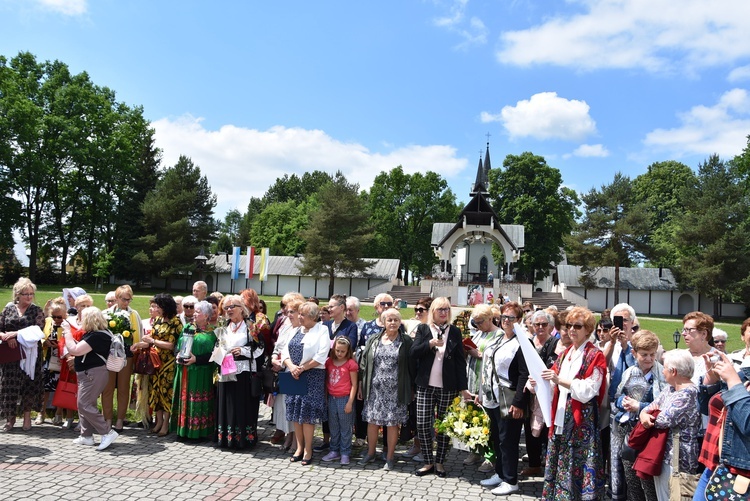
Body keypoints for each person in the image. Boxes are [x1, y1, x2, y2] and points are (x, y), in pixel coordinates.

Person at [541, 306, 607, 500]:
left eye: (577, 326)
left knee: (578, 464)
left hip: (581, 421)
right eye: (569, 325)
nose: (571, 329)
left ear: (588, 329)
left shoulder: (595, 355)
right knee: (561, 461)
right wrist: (537, 379)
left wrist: (559, 380)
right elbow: (551, 374)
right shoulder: (566, 353)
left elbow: (589, 389)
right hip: (562, 415)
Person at [411, 297, 472, 478]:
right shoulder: (423, 329)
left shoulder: (454, 331)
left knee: (444, 427)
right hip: (425, 385)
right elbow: (413, 353)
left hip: (448, 387)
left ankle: (440, 463)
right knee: (422, 424)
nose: (443, 312)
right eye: (440, 309)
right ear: (433, 312)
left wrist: (463, 388)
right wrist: (429, 344)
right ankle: (428, 461)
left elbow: (460, 362)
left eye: (446, 309)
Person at [477, 301, 529, 496]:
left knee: (508, 441)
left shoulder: (522, 342)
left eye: (511, 318)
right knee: (497, 438)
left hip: (509, 398)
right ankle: (500, 473)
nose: (506, 321)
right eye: (504, 317)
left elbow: (525, 374)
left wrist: (519, 402)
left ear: (519, 320)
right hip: (492, 397)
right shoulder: (499, 338)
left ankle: (511, 480)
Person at [639, 349, 701, 501]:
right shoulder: (670, 389)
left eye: (664, 368)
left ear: (673, 371)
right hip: (663, 455)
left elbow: (661, 420)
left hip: (678, 460)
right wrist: (643, 414)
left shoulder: (688, 394)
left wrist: (647, 416)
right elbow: (649, 408)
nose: (663, 371)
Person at [358, 308, 415, 470]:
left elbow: (412, 367)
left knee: (392, 424)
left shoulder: (406, 341)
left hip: (396, 391)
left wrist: (411, 388)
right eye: (389, 320)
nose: (393, 322)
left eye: (396, 320)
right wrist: (362, 385)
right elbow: (364, 364)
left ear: (400, 322)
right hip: (374, 389)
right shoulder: (373, 340)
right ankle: (370, 453)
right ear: (383, 322)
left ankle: (390, 457)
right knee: (372, 422)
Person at [612, 331, 666, 501]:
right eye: (644, 355)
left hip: (649, 432)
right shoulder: (629, 372)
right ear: (634, 353)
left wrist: (640, 406)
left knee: (646, 476)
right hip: (628, 430)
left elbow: (663, 404)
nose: (649, 359)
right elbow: (616, 395)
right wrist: (624, 402)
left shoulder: (661, 375)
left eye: (652, 354)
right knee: (631, 476)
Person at [693, 350, 750, 499]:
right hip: (714, 467)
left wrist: (733, 381)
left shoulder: (736, 379)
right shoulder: (744, 375)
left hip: (741, 475)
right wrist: (711, 380)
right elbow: (706, 409)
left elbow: (747, 424)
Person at [62, 306, 119, 450]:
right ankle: (86, 436)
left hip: (93, 374)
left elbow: (74, 350)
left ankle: (107, 432)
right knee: (85, 404)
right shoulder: (96, 334)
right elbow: (82, 349)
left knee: (84, 404)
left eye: (82, 317)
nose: (79, 320)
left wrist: (67, 333)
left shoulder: (97, 336)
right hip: (89, 374)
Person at [214, 294, 265, 449]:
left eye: (232, 307)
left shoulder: (251, 326)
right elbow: (217, 345)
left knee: (242, 404)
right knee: (227, 403)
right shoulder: (223, 327)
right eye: (226, 307)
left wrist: (243, 350)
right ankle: (227, 438)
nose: (229, 310)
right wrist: (219, 352)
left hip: (243, 373)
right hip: (226, 370)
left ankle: (244, 439)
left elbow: (261, 348)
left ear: (241, 309)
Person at [282, 301, 329, 465]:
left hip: (312, 376)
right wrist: (291, 366)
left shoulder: (322, 330)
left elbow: (322, 354)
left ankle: (308, 450)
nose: (299, 317)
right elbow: (284, 351)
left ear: (313, 317)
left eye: (302, 314)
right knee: (296, 413)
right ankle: (299, 448)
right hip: (293, 375)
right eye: (299, 314)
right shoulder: (294, 330)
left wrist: (302, 368)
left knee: (307, 415)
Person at [0, 278, 46, 432]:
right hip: (10, 355)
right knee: (9, 385)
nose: (29, 297)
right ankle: (10, 418)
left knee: (28, 385)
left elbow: (38, 330)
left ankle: (27, 418)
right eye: (25, 294)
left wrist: (17, 335)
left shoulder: (36, 311)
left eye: (31, 294)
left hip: (30, 355)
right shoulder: (8, 309)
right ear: (17, 294)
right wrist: (7, 337)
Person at [605, 302, 639, 501]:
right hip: (613, 406)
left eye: (625, 320)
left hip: (634, 406)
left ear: (632, 322)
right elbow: (602, 364)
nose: (621, 324)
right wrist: (611, 343)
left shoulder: (639, 342)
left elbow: (637, 370)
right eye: (617, 320)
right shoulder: (611, 343)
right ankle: (615, 493)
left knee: (631, 455)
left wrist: (626, 345)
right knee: (615, 454)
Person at [170, 300, 217, 440]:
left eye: (198, 311)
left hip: (201, 373)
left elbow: (214, 355)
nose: (194, 314)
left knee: (197, 400)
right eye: (195, 311)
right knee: (184, 399)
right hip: (184, 371)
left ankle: (199, 432)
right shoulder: (188, 327)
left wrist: (197, 359)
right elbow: (178, 345)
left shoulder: (213, 333)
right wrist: (177, 353)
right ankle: (182, 431)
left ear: (207, 316)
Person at [522, 309, 560, 478]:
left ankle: (550, 466)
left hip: (549, 394)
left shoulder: (555, 343)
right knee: (530, 431)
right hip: (530, 394)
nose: (540, 327)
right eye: (537, 324)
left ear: (550, 326)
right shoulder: (528, 343)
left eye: (544, 324)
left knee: (547, 431)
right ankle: (534, 464)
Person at [463, 304, 503, 466]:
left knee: (488, 421)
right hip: (472, 380)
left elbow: (498, 359)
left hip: (487, 385)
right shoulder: (478, 333)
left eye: (480, 322)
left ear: (490, 319)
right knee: (473, 418)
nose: (477, 325)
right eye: (475, 322)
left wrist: (479, 355)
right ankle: (475, 451)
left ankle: (490, 456)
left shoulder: (499, 335)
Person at [135, 293, 179, 437]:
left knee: (166, 393)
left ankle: (166, 424)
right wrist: (139, 344)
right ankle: (158, 421)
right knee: (156, 393)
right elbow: (151, 339)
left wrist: (152, 341)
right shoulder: (158, 320)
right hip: (155, 362)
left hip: (168, 363)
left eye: (159, 306)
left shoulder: (175, 322)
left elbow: (172, 345)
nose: (156, 309)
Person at [354, 293, 395, 445]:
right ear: (376, 306)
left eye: (389, 304)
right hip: (371, 376)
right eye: (382, 304)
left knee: (389, 414)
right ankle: (365, 441)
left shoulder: (398, 325)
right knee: (369, 410)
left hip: (391, 378)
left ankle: (386, 446)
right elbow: (361, 351)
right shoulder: (368, 326)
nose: (385, 307)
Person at [102, 285, 142, 432]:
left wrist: (136, 346)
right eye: (124, 299)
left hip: (127, 355)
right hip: (110, 355)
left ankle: (120, 420)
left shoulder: (134, 314)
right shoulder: (105, 313)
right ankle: (107, 420)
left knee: (123, 388)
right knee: (107, 389)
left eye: (129, 299)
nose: (127, 302)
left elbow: (139, 336)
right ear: (117, 298)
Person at [270, 292, 305, 450]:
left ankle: (296, 439)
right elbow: (278, 347)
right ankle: (289, 435)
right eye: (285, 308)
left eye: (290, 310)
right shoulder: (285, 325)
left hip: (297, 371)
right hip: (283, 370)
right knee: (284, 406)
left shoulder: (304, 328)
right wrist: (274, 359)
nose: (285, 312)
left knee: (294, 405)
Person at [321, 337, 358, 465]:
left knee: (345, 427)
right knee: (334, 426)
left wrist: (350, 402)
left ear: (348, 351)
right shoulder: (329, 362)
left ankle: (345, 452)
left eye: (343, 351)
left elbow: (354, 385)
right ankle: (334, 450)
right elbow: (326, 380)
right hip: (332, 398)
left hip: (345, 398)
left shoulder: (350, 364)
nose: (339, 354)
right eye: (337, 350)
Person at [36, 298, 68, 425]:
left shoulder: (67, 323)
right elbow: (40, 336)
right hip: (48, 358)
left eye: (59, 317)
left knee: (61, 387)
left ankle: (58, 413)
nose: (56, 319)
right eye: (53, 316)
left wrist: (59, 345)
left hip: (62, 360)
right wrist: (45, 342)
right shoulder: (48, 321)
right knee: (45, 388)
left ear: (64, 314)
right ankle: (41, 413)